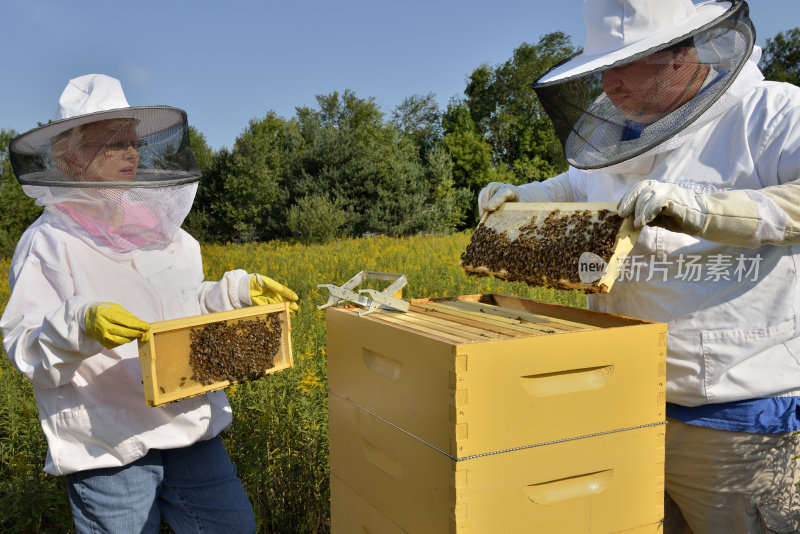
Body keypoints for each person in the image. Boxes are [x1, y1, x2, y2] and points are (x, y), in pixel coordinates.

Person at [479, 1, 800, 532]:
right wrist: (525, 195)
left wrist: (704, 211)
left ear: (679, 54)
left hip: (737, 419)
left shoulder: (771, 114)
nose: (607, 82)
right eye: (600, 65)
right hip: (625, 403)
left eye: (621, 63)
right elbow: (577, 185)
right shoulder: (614, 135)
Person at [0, 74, 299, 533]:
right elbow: (24, 343)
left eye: (132, 142)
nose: (129, 153)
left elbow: (183, 304)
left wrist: (233, 294)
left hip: (189, 428)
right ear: (72, 159)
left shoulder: (167, 233)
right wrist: (80, 325)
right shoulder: (47, 242)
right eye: (110, 144)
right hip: (108, 445)